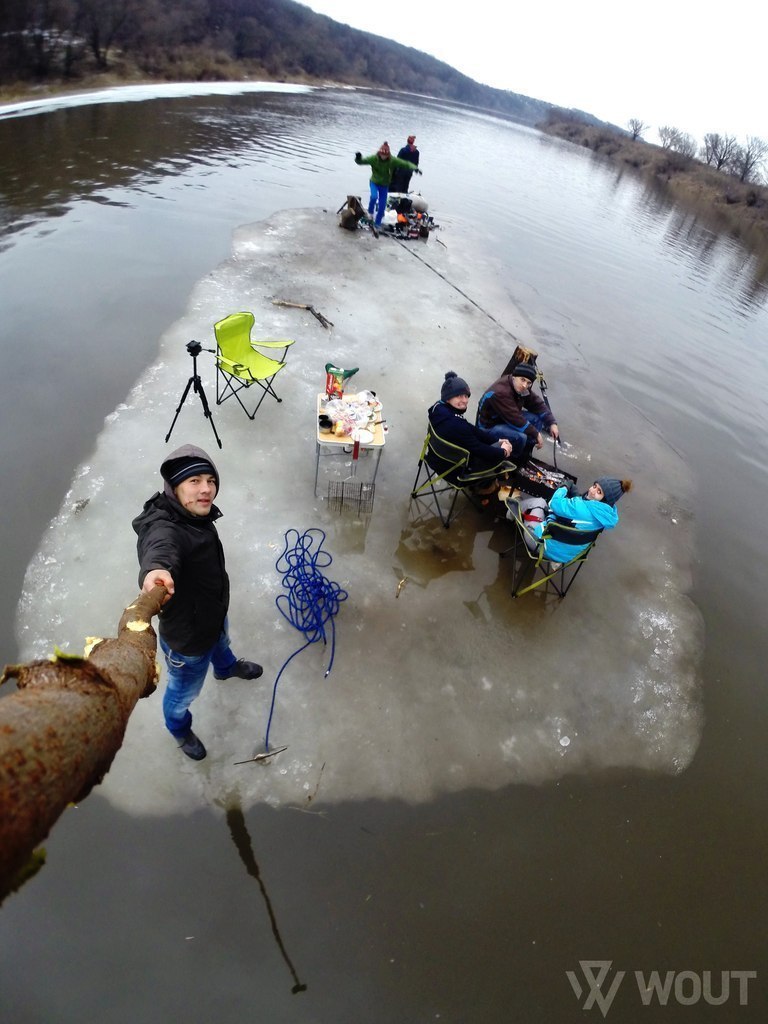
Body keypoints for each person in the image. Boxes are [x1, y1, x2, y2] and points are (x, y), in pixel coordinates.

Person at [133, 444, 263, 761]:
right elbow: (160, 551)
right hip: (188, 640)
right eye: (194, 481)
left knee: (222, 642)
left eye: (210, 480)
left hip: (212, 614)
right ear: (174, 488)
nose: (206, 489)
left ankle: (225, 668)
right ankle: (178, 728)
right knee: (182, 693)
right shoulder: (166, 527)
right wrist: (156, 574)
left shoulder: (192, 515)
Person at [507, 476, 632, 565]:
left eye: (599, 492)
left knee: (540, 502)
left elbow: (554, 503)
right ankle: (515, 510)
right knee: (551, 514)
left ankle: (510, 511)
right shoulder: (606, 516)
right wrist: (578, 498)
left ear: (605, 500)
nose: (592, 491)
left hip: (540, 546)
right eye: (594, 486)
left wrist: (565, 486)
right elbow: (582, 512)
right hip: (570, 556)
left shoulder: (580, 507)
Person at [428, 371, 515, 489]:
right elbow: (479, 448)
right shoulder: (456, 425)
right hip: (455, 472)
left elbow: (470, 429)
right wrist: (502, 452)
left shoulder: (437, 409)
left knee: (496, 443)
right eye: (459, 396)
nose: (464, 400)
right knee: (500, 454)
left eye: (466, 395)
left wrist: (497, 439)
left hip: (435, 456)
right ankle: (483, 487)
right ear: (448, 398)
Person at [476, 362, 560, 458]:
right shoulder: (501, 392)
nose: (525, 385)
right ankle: (512, 459)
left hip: (504, 418)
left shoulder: (520, 387)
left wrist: (552, 423)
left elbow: (537, 404)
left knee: (536, 420)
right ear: (514, 377)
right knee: (520, 437)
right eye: (522, 380)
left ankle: (525, 452)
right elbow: (515, 419)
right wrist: (536, 434)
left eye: (529, 383)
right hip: (488, 427)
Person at [354, 141, 421, 227]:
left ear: (388, 154)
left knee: (382, 206)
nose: (383, 157)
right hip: (374, 182)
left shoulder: (392, 160)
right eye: (382, 155)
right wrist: (358, 158)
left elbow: (404, 163)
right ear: (380, 153)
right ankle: (370, 213)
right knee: (374, 197)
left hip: (384, 186)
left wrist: (415, 168)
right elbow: (361, 162)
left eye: (385, 156)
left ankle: (377, 224)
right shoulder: (374, 159)